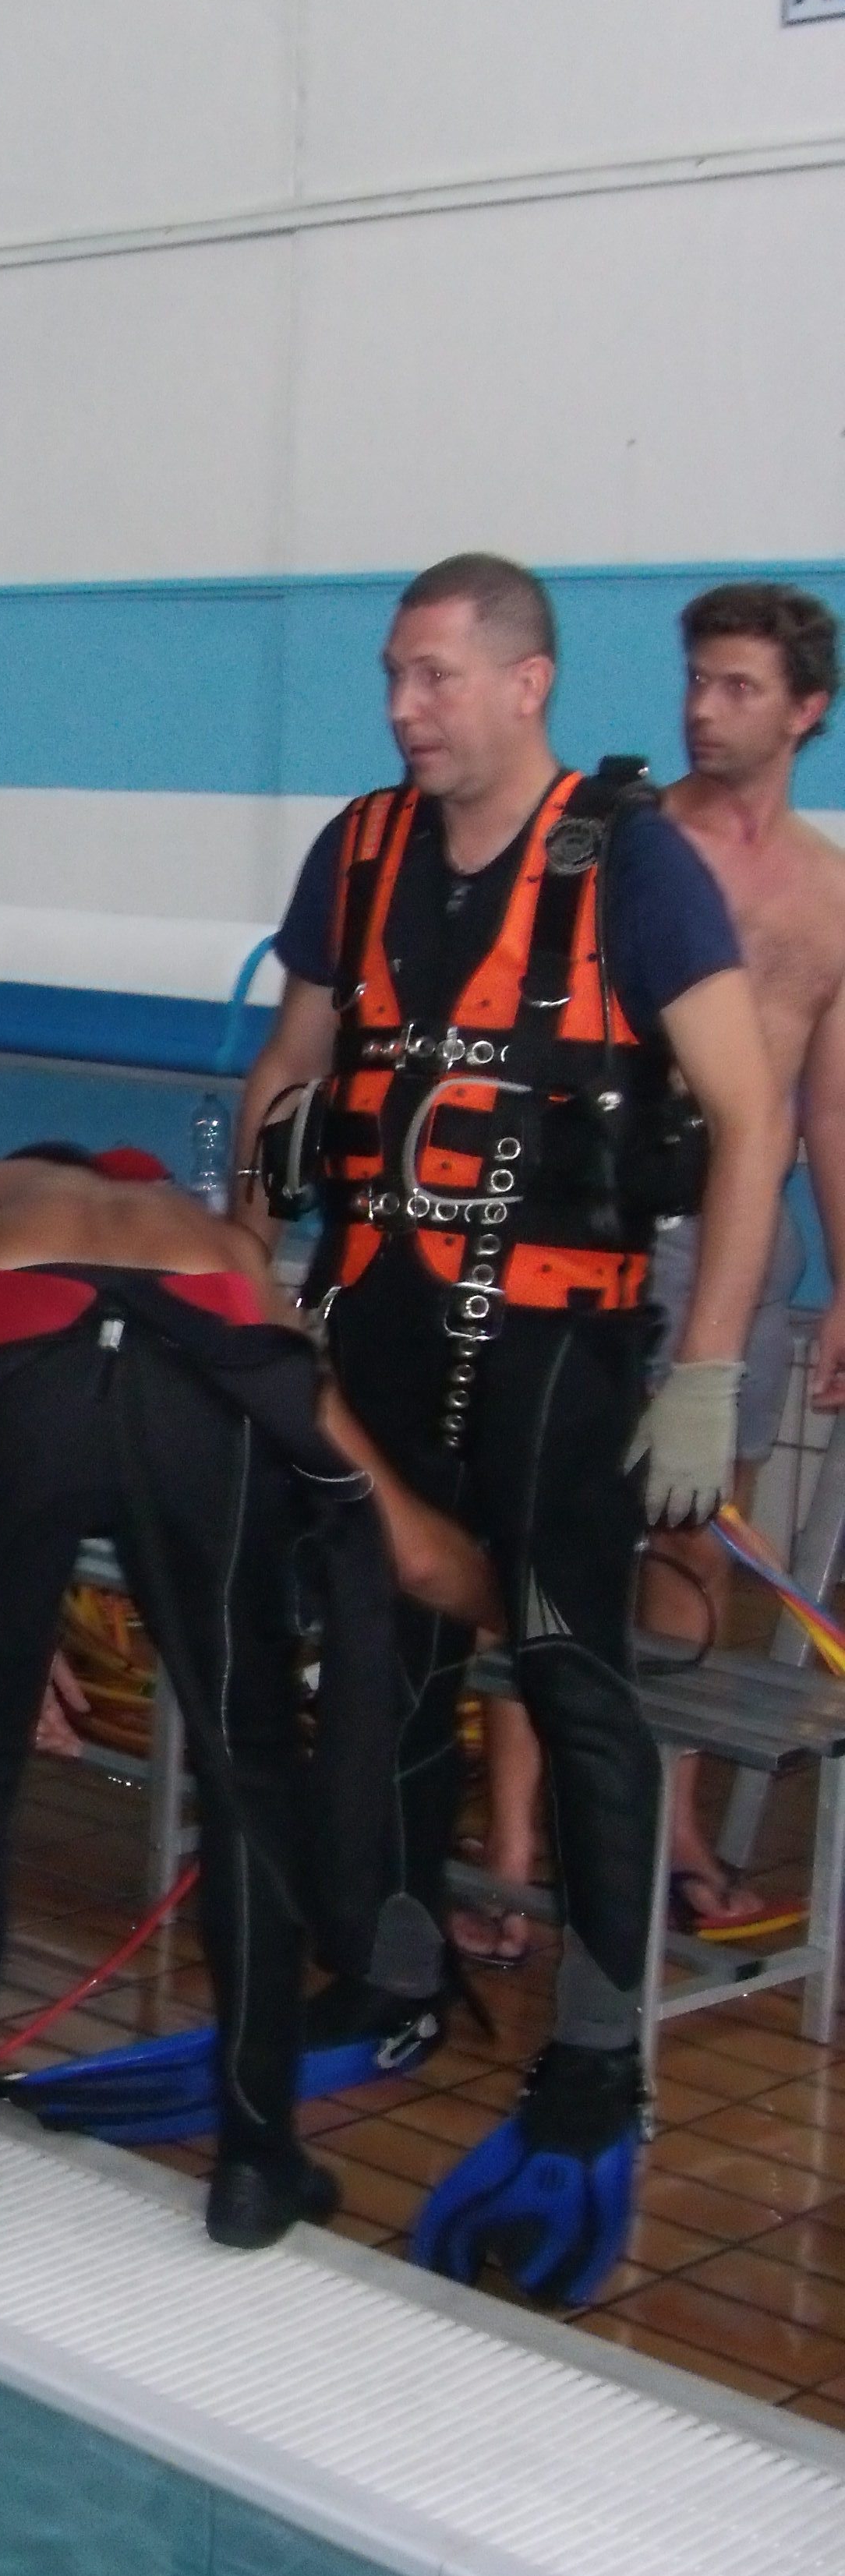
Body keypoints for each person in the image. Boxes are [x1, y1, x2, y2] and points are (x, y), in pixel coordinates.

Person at [235, 552, 793, 2309]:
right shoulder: (361, 851)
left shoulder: (630, 863)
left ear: (528, 682)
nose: (403, 708)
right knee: (382, 1654)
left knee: (571, 1673)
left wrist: (707, 1369)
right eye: (393, 676)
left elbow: (753, 1117)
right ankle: (399, 1973)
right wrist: (248, 1268)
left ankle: (601, 2053)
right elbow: (292, 1064)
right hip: (379, 1324)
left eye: (435, 676)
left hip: (560, 1348)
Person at [0, 1142, 493, 2279]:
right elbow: (405, 1540)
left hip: (12, 1356)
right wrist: (510, 1606)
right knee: (249, 1766)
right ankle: (256, 2162)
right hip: (203, 1366)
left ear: (33, 1172)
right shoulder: (210, 1239)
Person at [465, 581, 845, 1948]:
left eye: (740, 688)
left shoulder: (829, 893)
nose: (704, 710)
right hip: (588, 1226)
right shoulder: (616, 846)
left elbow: (826, 1108)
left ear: (806, 712)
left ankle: (670, 1829)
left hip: (739, 1244)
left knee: (694, 1530)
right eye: (697, 680)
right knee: (542, 1529)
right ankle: (514, 1844)